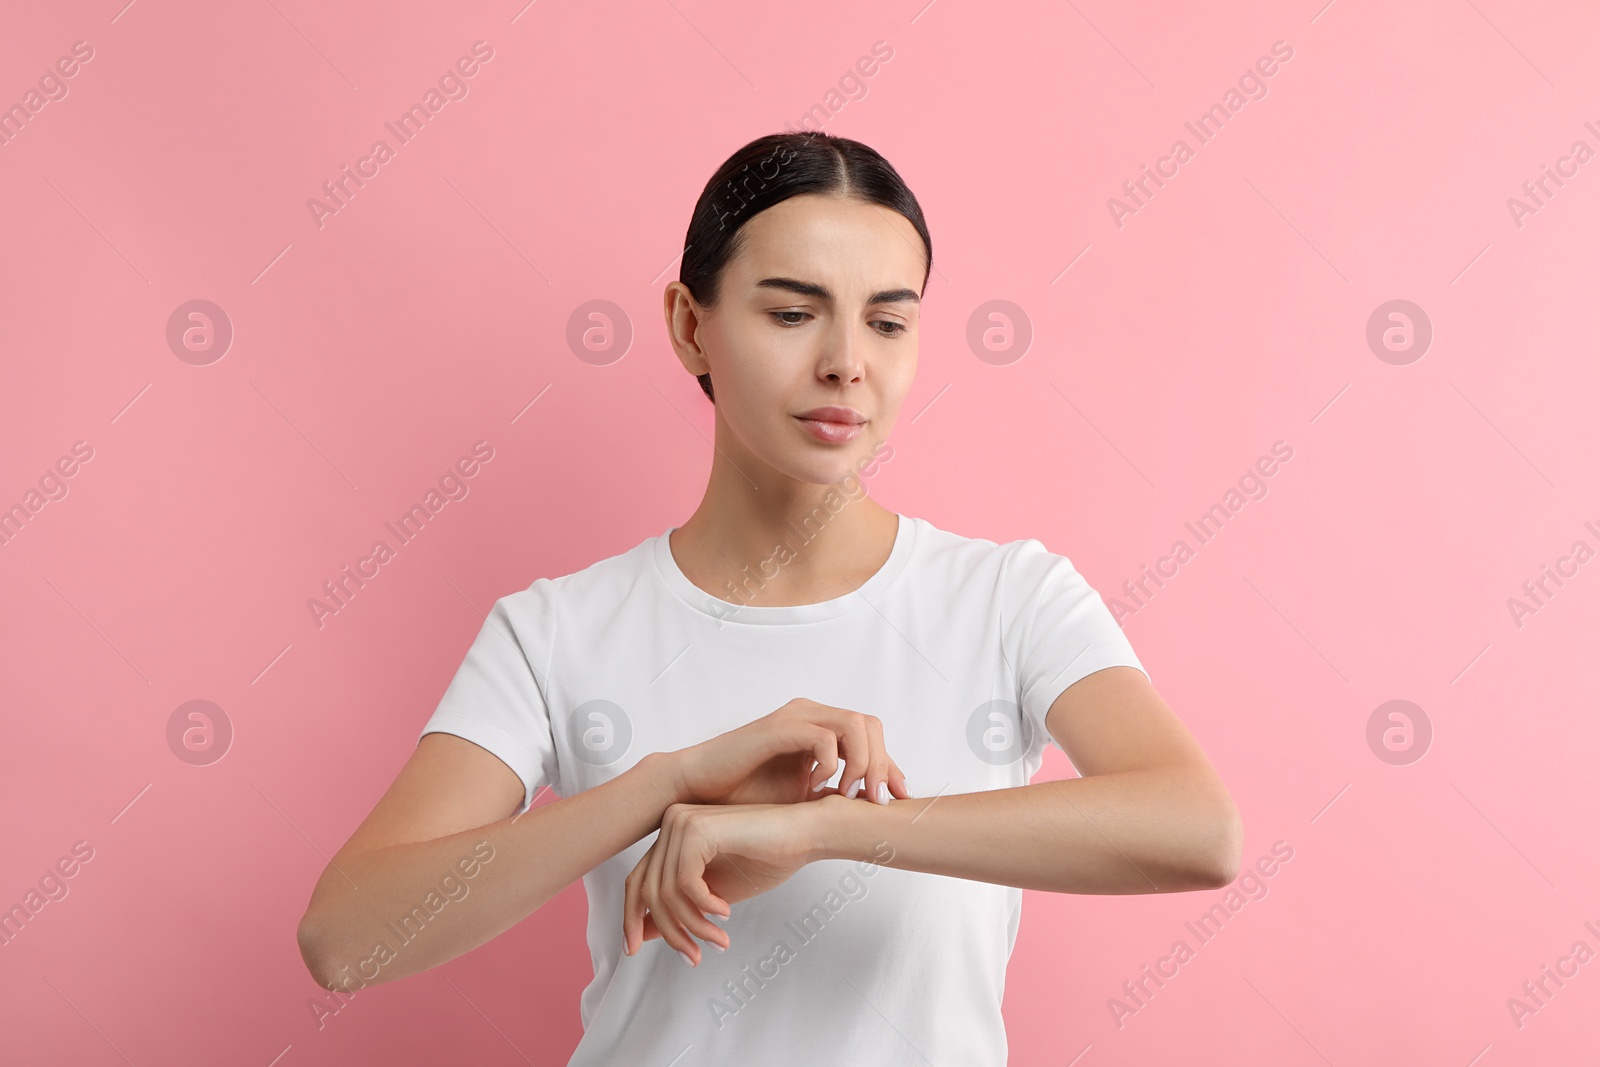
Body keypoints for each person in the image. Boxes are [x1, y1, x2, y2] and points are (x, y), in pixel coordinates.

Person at [295, 130, 1242, 1065]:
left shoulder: (1009, 598)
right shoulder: (555, 630)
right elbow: (345, 938)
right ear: (687, 324)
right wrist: (666, 784)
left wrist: (823, 829)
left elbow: (1197, 828)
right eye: (793, 315)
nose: (846, 363)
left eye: (887, 321)